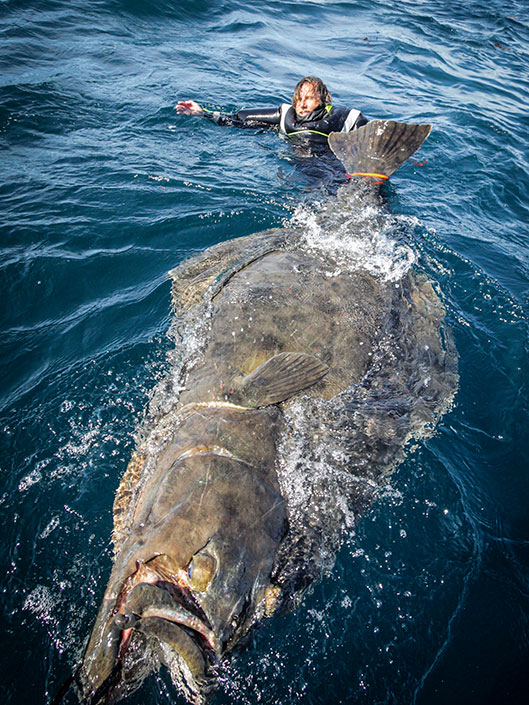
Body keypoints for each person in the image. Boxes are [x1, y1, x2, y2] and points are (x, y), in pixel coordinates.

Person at [176, 76, 368, 148]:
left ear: (322, 99)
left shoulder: (343, 118)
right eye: (299, 98)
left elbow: (373, 138)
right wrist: (203, 113)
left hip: (334, 164)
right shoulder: (286, 116)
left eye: (308, 98)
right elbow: (238, 120)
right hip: (304, 167)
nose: (301, 104)